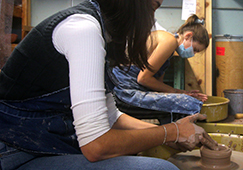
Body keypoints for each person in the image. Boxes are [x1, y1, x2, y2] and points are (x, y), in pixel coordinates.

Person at [0, 0, 218, 169]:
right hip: (17, 153)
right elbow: (96, 146)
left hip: (48, 141)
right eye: (153, 7)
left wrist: (167, 134)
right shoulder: (84, 30)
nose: (151, 19)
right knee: (161, 169)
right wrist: (170, 132)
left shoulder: (103, 33)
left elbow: (111, 116)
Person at [112, 14, 209, 122]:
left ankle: (170, 134)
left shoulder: (169, 50)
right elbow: (143, 79)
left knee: (185, 101)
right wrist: (178, 93)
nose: (193, 54)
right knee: (188, 104)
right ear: (188, 36)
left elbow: (157, 87)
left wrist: (184, 93)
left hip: (132, 88)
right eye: (195, 49)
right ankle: (176, 134)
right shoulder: (169, 41)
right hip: (124, 91)